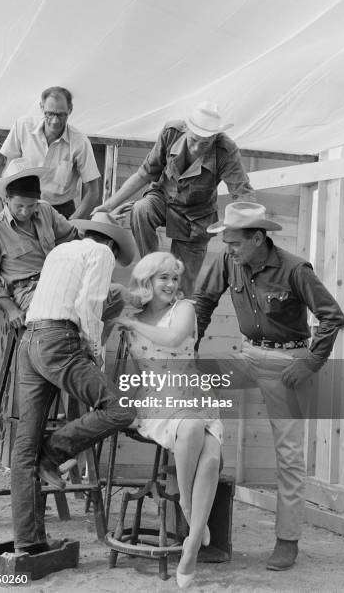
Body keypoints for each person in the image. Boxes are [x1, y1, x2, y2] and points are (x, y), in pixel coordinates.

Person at [193, 202, 344, 571]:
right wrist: (189, 348)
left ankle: (287, 541)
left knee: (289, 457)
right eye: (225, 241)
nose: (227, 248)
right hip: (245, 355)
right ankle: (206, 532)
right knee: (191, 391)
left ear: (258, 238)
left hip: (287, 363)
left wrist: (311, 362)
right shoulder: (227, 261)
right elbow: (202, 303)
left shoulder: (296, 269)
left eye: (233, 242)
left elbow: (332, 316)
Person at [10, 212, 137, 555]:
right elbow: (89, 305)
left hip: (30, 341)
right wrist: (96, 352)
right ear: (110, 242)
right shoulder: (102, 253)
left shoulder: (59, 252)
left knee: (25, 445)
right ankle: (54, 452)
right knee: (121, 409)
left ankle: (28, 542)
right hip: (58, 339)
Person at [116, 252, 223, 588]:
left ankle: (190, 535)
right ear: (147, 279)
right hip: (155, 399)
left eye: (175, 278)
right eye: (163, 277)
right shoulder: (131, 315)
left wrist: (131, 323)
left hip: (192, 392)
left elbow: (175, 339)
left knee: (210, 453)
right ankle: (193, 526)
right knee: (197, 435)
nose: (171, 284)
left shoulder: (184, 309)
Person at [93, 101, 255, 296]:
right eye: (193, 140)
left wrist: (244, 226)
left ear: (215, 138)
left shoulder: (226, 151)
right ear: (187, 129)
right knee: (141, 209)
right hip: (162, 198)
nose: (196, 148)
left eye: (204, 144)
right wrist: (108, 206)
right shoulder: (171, 132)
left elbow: (242, 193)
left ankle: (175, 314)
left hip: (196, 219)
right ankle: (152, 269)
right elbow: (144, 174)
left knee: (181, 292)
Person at [0, 159, 78, 328]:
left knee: (113, 294)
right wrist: (11, 309)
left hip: (60, 281)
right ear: (6, 199)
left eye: (31, 206)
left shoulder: (46, 210)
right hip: (28, 291)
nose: (25, 211)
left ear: (38, 200)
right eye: (19, 205)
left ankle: (91, 350)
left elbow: (72, 236)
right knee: (59, 314)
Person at [0, 86, 100, 219]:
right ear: (42, 107)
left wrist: (71, 223)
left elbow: (93, 192)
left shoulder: (80, 142)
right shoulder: (22, 126)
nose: (55, 121)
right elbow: (8, 168)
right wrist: (9, 205)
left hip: (60, 210)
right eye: (50, 114)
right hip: (23, 205)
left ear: (70, 110)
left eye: (61, 115)